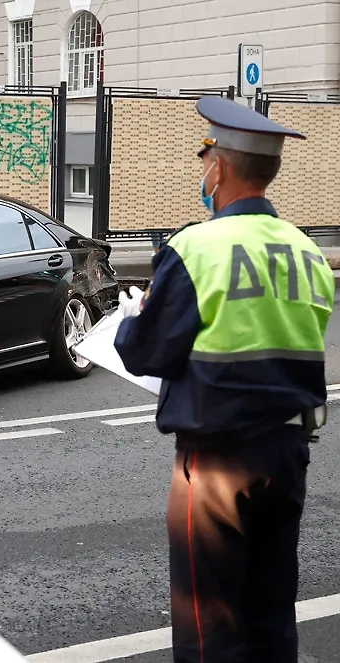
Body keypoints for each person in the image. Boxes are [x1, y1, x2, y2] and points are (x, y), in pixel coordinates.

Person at [113, 96, 334, 663]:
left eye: (205, 157)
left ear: (222, 167)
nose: (202, 169)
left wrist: (134, 316)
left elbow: (145, 352)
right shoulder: (308, 253)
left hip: (215, 462)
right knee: (271, 614)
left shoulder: (197, 247)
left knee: (209, 626)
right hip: (287, 453)